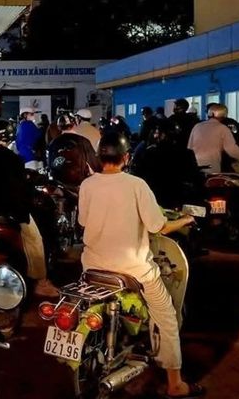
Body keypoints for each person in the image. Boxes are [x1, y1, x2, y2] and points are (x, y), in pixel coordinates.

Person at [79, 132, 205, 399]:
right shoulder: (137, 185)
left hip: (92, 269)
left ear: (100, 157)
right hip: (132, 270)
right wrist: (184, 220)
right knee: (167, 317)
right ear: (126, 157)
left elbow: (83, 222)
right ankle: (175, 384)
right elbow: (159, 226)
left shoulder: (87, 185)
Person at [0, 119, 60, 297]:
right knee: (35, 241)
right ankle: (41, 282)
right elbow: (20, 188)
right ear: (12, 135)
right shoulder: (14, 159)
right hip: (11, 211)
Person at [131, 119, 203, 209]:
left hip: (156, 199)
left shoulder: (150, 153)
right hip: (179, 199)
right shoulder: (186, 153)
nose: (155, 135)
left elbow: (139, 174)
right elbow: (195, 176)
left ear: (163, 134)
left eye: (157, 133)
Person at [188, 103, 239, 174]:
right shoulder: (223, 128)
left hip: (197, 167)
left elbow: (190, 148)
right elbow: (233, 151)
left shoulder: (197, 126)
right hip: (215, 168)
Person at [47, 114, 101, 189]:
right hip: (78, 183)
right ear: (74, 125)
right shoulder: (83, 141)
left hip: (59, 183)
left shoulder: (53, 143)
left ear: (59, 127)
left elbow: (49, 164)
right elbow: (95, 163)